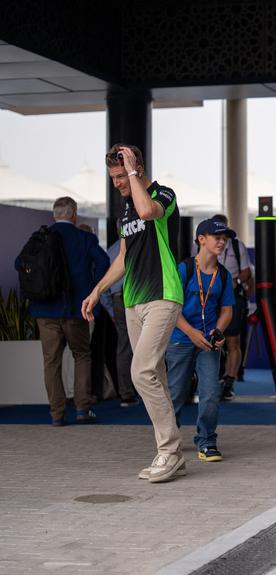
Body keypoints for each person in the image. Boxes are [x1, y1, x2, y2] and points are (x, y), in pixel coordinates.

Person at [82, 143, 186, 484]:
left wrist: (133, 173)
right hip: (133, 302)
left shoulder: (163, 195)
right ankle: (172, 456)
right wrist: (97, 291)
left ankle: (169, 451)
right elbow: (124, 258)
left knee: (140, 372)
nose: (117, 184)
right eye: (112, 178)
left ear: (135, 167)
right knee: (153, 375)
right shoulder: (123, 213)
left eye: (120, 176)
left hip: (163, 295)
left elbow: (147, 212)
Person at [15, 197, 109, 426]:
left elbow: (20, 264)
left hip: (44, 309)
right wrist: (92, 289)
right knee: (82, 355)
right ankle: (82, 409)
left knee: (51, 361)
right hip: (76, 309)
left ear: (54, 215)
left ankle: (56, 414)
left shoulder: (39, 237)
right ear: (74, 214)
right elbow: (104, 262)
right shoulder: (84, 238)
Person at [165, 219, 234, 462]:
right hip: (180, 340)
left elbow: (227, 310)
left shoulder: (224, 276)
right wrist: (192, 333)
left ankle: (206, 441)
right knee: (175, 392)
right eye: (217, 236)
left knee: (211, 392)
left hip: (208, 343)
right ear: (200, 239)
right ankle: (168, 444)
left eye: (224, 237)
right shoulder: (183, 269)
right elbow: (172, 307)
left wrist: (218, 331)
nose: (222, 241)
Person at [212, 214, 252, 401]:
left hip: (232, 297)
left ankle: (229, 382)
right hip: (210, 298)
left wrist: (233, 281)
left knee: (233, 341)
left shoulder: (237, 246)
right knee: (210, 340)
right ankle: (213, 380)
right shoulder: (201, 245)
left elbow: (246, 273)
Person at [99, 238, 139, 406]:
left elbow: (104, 287)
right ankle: (147, 390)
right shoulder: (141, 243)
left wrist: (111, 311)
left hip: (118, 299)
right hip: (138, 295)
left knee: (124, 345)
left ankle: (126, 394)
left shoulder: (111, 250)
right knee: (147, 342)